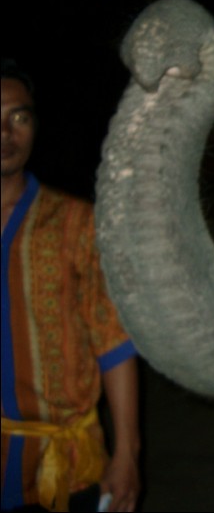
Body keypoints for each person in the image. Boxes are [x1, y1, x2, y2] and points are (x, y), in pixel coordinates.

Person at [1, 59, 140, 512]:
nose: (6, 132)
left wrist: (126, 453)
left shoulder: (77, 224)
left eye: (18, 118)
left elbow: (113, 343)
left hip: (63, 467)